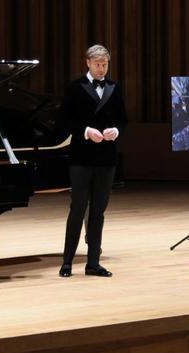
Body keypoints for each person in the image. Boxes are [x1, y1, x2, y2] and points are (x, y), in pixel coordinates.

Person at [57, 44, 128, 278]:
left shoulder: (114, 88)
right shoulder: (75, 88)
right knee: (77, 209)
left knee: (98, 211)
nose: (101, 69)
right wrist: (87, 131)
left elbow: (123, 120)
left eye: (105, 64)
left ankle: (93, 263)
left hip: (106, 159)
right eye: (97, 65)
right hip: (81, 158)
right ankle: (67, 262)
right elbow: (65, 122)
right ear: (87, 62)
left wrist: (115, 132)